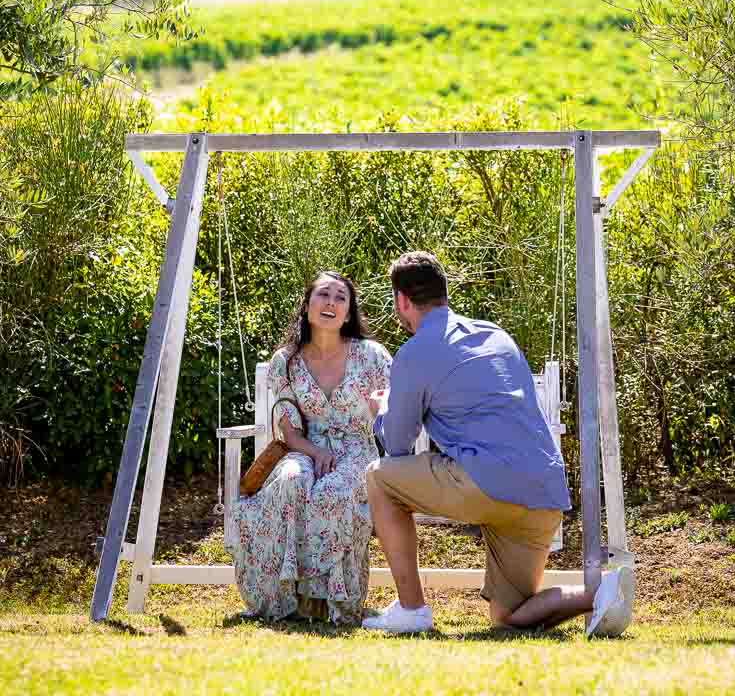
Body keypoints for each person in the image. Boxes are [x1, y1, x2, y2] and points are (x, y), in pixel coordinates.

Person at [362, 251, 634, 636]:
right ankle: (599, 592)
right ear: (444, 292)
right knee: (509, 618)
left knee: (377, 477)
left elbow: (397, 446)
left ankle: (411, 609)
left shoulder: (414, 352)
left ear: (401, 301)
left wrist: (382, 409)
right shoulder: (496, 335)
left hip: (487, 483)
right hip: (543, 494)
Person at [230, 271, 391, 625]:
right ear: (307, 306)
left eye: (340, 298)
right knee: (290, 482)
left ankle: (334, 604)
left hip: (356, 451)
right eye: (323, 295)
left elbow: (391, 410)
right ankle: (287, 600)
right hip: (306, 447)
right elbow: (289, 428)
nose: (331, 303)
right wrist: (315, 453)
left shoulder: (371, 356)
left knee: (332, 491)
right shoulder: (286, 361)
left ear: (348, 313)